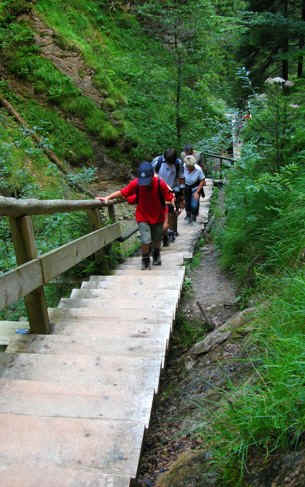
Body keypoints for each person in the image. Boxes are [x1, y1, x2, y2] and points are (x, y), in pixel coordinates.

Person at [96, 161, 173, 270]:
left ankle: (156, 254)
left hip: (158, 216)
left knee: (156, 239)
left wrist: (166, 221)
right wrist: (108, 197)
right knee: (146, 239)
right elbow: (123, 193)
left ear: (152, 176)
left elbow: (168, 202)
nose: (144, 184)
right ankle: (145, 259)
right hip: (142, 216)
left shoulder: (161, 184)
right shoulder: (136, 183)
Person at [152, 148, 184, 245]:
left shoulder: (178, 163)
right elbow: (151, 176)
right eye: (169, 162)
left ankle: (172, 231)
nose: (170, 164)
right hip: (158, 191)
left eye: (172, 162)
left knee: (172, 211)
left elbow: (181, 177)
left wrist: (181, 193)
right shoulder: (157, 162)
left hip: (172, 190)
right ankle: (163, 233)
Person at [183, 155, 205, 224]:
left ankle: (194, 215)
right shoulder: (184, 166)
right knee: (187, 202)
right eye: (188, 167)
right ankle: (188, 215)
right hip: (186, 187)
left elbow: (202, 180)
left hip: (195, 187)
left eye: (190, 167)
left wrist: (197, 192)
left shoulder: (198, 169)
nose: (189, 168)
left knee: (194, 204)